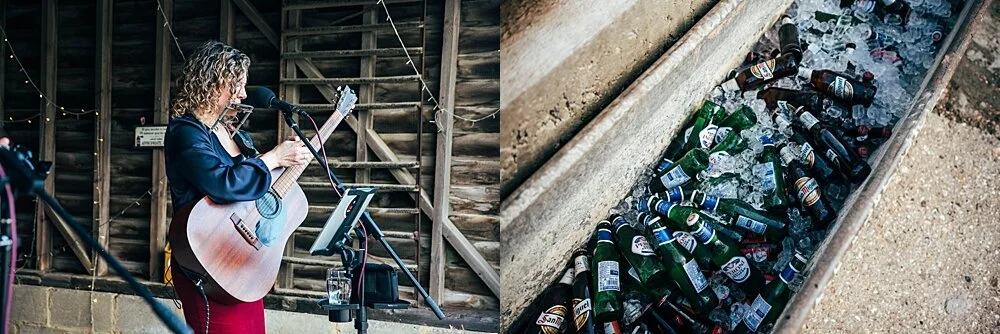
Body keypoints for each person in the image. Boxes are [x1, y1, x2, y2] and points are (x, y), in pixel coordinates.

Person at [163, 40, 310, 333]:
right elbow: (221, 184)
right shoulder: (185, 132)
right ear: (215, 84)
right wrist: (272, 157)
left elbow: (249, 190)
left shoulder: (232, 133)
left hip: (240, 264)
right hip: (206, 261)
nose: (243, 94)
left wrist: (286, 160)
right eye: (237, 85)